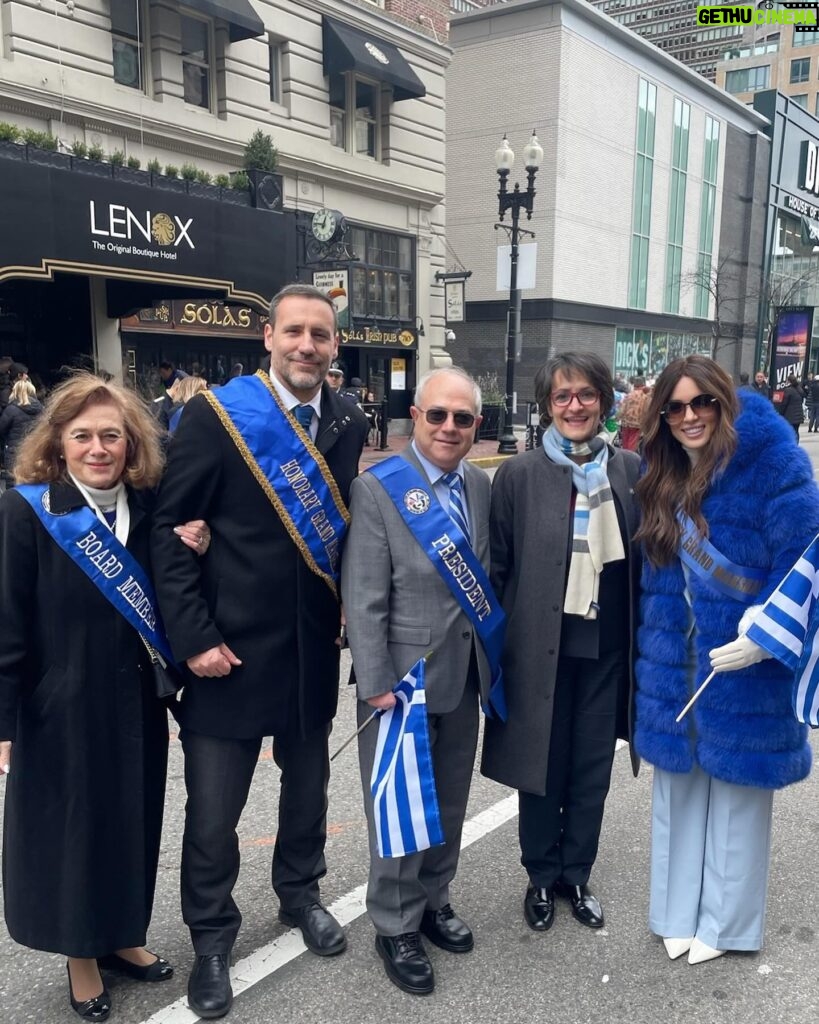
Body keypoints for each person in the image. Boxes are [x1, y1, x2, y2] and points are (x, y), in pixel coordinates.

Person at [151, 283, 369, 1020]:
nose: (308, 345)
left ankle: (299, 893)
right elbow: (170, 531)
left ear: (335, 345)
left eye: (322, 334)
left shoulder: (346, 418)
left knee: (307, 795)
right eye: (295, 332)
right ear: (268, 339)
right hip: (228, 656)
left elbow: (343, 533)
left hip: (310, 649)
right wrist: (194, 639)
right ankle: (212, 939)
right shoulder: (216, 416)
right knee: (213, 814)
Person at [0, 373, 210, 1022]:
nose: (98, 447)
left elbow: (173, 593)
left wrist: (195, 548)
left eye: (111, 435)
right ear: (57, 442)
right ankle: (81, 956)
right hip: (58, 703)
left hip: (135, 702)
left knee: (131, 820)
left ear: (132, 442)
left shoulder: (149, 509)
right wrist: (3, 717)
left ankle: (123, 935)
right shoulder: (28, 509)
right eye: (83, 435)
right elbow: (6, 620)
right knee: (74, 831)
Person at [633, 354, 819, 965]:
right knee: (678, 792)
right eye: (676, 407)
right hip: (675, 660)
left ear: (724, 402)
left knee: (738, 797)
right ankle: (675, 911)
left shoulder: (775, 461)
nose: (690, 416)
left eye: (702, 403)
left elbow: (807, 560)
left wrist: (768, 632)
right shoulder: (659, 471)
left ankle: (726, 923)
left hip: (748, 660)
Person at [342, 367, 497, 996]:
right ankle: (395, 924)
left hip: (462, 676)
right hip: (400, 683)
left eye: (462, 418)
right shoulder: (378, 488)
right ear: (416, 416)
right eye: (438, 415)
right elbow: (365, 594)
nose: (449, 428)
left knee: (449, 802)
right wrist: (376, 683)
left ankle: (434, 901)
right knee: (399, 810)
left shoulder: (481, 486)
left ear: (476, 427)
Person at [482, 352, 640, 936]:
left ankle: (578, 873)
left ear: (604, 400)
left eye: (585, 395)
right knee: (540, 766)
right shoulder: (520, 475)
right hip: (537, 651)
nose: (574, 406)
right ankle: (541, 876)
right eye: (561, 397)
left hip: (606, 650)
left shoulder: (630, 470)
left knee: (591, 769)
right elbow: (499, 567)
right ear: (547, 405)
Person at [0, 379, 43, 484]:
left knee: (13, 481)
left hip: (14, 451)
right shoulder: (41, 409)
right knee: (32, 479)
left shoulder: (11, 410)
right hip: (35, 450)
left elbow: (1, 429)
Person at [617, 376, 649, 451]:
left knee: (625, 443)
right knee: (632, 445)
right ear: (643, 385)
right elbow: (646, 410)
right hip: (637, 424)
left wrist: (617, 418)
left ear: (634, 385)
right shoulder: (645, 397)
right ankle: (630, 459)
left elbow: (622, 409)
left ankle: (625, 457)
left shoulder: (628, 395)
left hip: (625, 423)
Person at [774, 373, 804, 440]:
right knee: (796, 431)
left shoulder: (788, 390)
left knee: (789, 432)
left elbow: (784, 404)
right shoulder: (799, 389)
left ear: (788, 381)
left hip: (790, 415)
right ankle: (795, 445)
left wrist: (780, 413)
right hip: (798, 416)